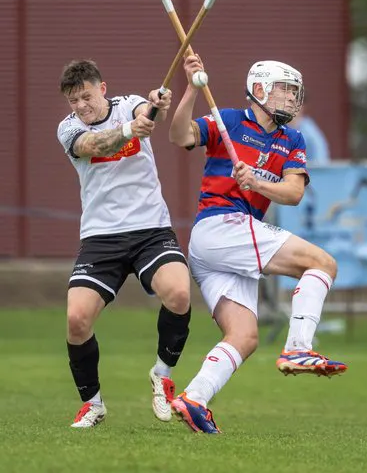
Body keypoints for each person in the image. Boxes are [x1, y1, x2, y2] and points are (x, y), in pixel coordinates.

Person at [168, 56, 347, 434]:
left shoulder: (292, 138)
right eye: (285, 90)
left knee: (244, 336)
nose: (292, 98)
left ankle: (194, 398)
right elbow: (179, 136)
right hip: (220, 226)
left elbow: (294, 193)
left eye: (295, 92)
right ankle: (299, 347)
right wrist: (191, 88)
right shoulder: (229, 121)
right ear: (260, 89)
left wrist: (257, 182)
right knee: (323, 264)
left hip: (228, 243)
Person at [57, 59, 191, 428]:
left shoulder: (128, 103)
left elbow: (146, 112)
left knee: (179, 293)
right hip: (100, 237)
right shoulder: (68, 128)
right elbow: (91, 144)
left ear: (102, 88)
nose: (81, 106)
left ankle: (162, 375)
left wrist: (156, 106)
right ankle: (93, 404)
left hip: (151, 230)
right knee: (76, 319)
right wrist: (131, 130)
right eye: (73, 100)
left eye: (86, 96)